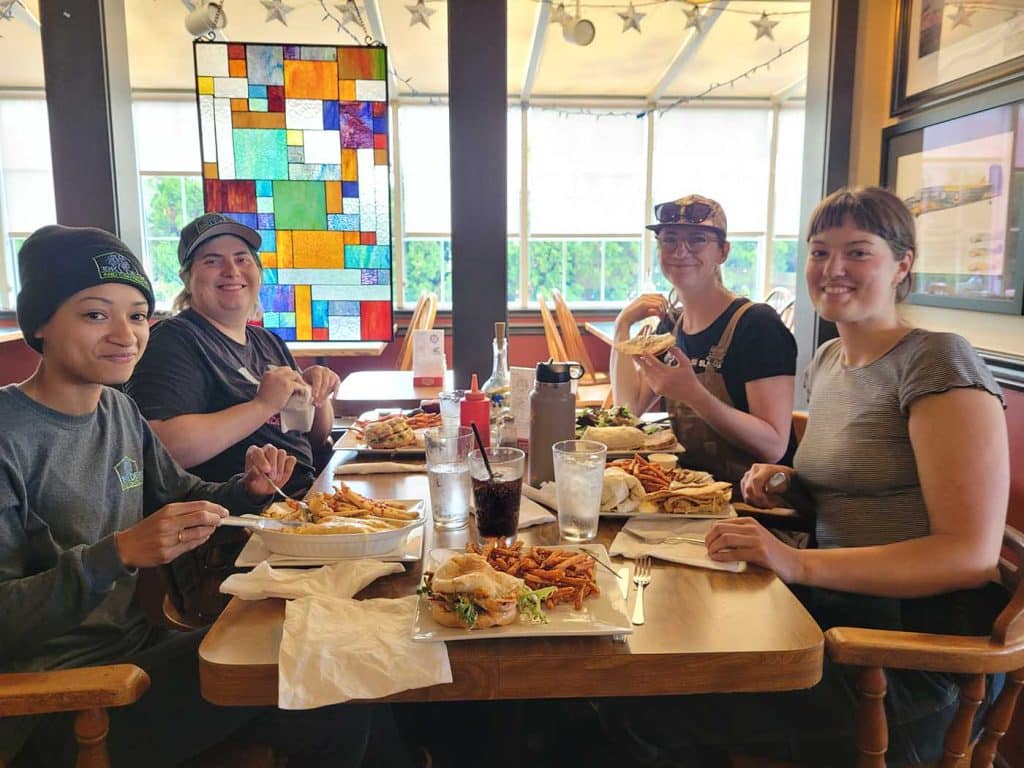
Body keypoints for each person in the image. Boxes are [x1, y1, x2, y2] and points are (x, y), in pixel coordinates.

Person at [587, 187, 1010, 766]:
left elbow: (969, 555)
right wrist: (786, 481)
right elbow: (860, 492)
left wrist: (796, 561)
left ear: (902, 264)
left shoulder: (938, 360)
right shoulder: (833, 360)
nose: (833, 269)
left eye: (858, 252)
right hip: (828, 611)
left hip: (905, 653)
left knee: (635, 706)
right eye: (818, 252)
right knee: (628, 660)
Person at [0, 225, 410, 768]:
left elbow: (185, 492)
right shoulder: (10, 435)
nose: (126, 335)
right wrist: (118, 553)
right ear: (41, 324)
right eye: (96, 314)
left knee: (339, 665)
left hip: (139, 656)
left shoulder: (117, 410)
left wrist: (246, 489)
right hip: (68, 700)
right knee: (324, 672)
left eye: (138, 315)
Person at [127, 213, 340, 496]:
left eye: (242, 259)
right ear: (187, 279)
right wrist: (262, 406)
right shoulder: (174, 340)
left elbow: (314, 437)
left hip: (307, 496)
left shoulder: (267, 341)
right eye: (212, 261)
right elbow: (162, 448)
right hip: (241, 521)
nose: (231, 270)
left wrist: (317, 396)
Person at [610, 194, 797, 484]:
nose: (680, 251)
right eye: (669, 239)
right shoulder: (671, 327)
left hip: (759, 509)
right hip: (693, 492)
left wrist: (693, 394)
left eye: (697, 239)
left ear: (723, 252)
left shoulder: (757, 325)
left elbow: (773, 446)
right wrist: (622, 328)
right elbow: (629, 410)